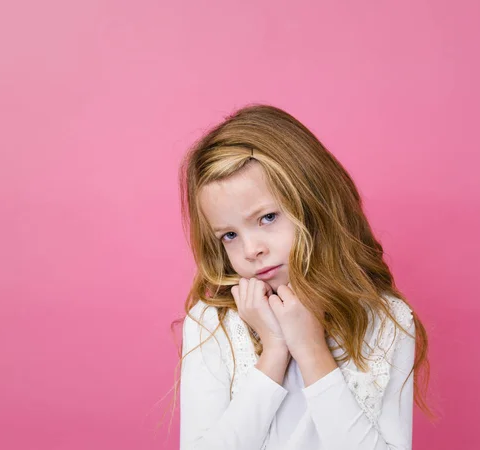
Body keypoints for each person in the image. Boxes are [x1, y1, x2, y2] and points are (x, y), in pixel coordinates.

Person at [175, 104, 431, 450]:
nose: (251, 249)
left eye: (267, 218)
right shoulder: (211, 324)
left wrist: (311, 351)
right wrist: (274, 350)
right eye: (230, 236)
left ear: (313, 205)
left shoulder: (386, 321)